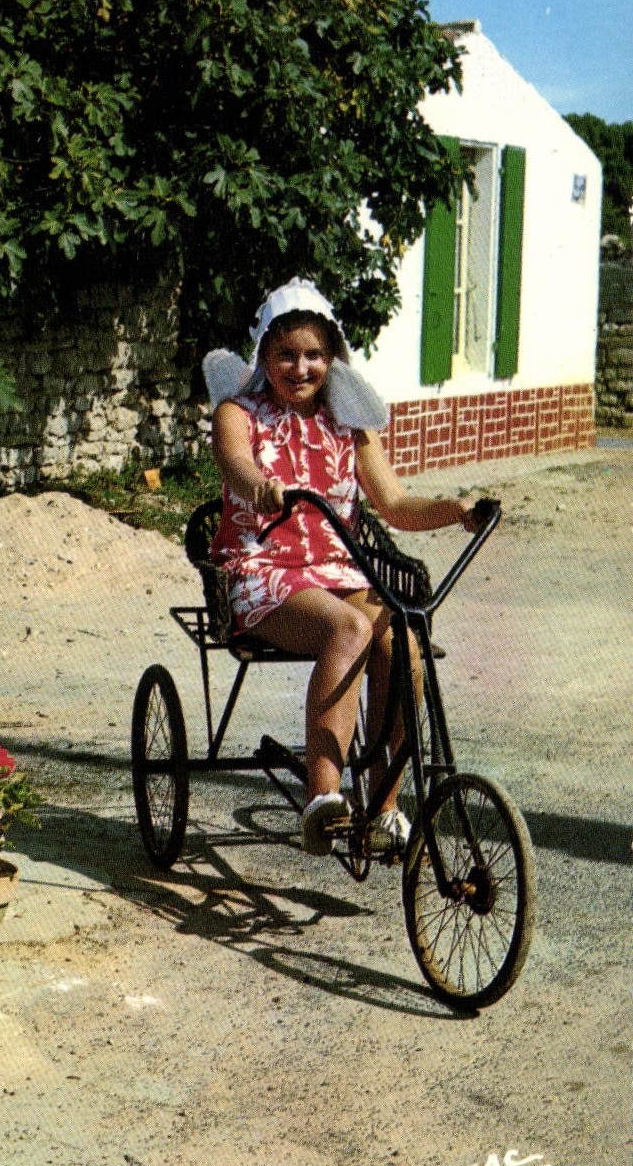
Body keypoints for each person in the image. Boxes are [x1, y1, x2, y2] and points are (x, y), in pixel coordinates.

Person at [204, 278, 481, 857]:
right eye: (285, 354)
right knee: (349, 628)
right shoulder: (238, 412)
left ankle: (382, 804)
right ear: (263, 355)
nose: (300, 368)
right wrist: (259, 487)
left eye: (314, 355)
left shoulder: (349, 425)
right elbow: (233, 462)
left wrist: (456, 510)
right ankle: (324, 802)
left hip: (340, 569)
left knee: (406, 639)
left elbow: (395, 505)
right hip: (262, 570)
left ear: (332, 358)